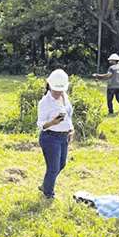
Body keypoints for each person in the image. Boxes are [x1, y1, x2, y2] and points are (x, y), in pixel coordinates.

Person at [37, 69, 74, 199]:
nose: (58, 92)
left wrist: (70, 129)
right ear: (49, 86)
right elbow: (40, 124)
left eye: (61, 90)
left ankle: (46, 185)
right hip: (50, 137)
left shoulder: (65, 97)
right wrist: (52, 122)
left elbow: (69, 114)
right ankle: (48, 194)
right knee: (53, 168)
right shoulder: (44, 102)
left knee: (61, 165)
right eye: (55, 90)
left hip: (63, 136)